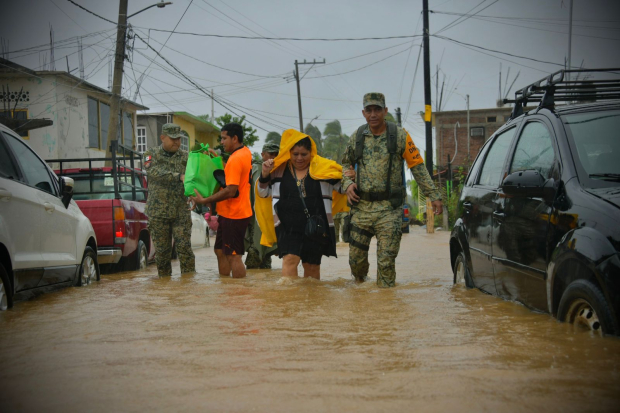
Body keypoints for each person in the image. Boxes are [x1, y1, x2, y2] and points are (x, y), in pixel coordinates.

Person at [341, 93, 443, 288]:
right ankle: (362, 299)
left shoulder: (400, 136)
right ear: (363, 113)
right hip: (361, 208)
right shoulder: (357, 137)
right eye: (369, 110)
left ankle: (386, 306)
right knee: (356, 262)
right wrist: (347, 183)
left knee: (386, 264)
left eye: (377, 109)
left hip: (389, 210)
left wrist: (434, 195)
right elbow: (345, 164)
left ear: (385, 111)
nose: (373, 114)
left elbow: (418, 167)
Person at [254, 129, 348, 280]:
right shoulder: (278, 170)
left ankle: (311, 300)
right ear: (288, 153)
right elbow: (263, 193)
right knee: (290, 259)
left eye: (304, 154)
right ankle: (291, 300)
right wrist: (265, 175)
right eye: (295, 154)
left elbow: (343, 189)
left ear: (311, 153)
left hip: (315, 226)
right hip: (287, 226)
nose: (299, 158)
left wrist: (350, 178)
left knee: (312, 265)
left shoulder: (323, 169)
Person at [188, 123, 253, 278]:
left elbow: (230, 190)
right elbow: (229, 174)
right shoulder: (244, 153)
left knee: (233, 255)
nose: (221, 142)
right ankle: (226, 289)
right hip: (229, 213)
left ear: (235, 138)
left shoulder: (236, 158)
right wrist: (215, 157)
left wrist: (204, 200)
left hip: (235, 214)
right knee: (219, 251)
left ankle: (239, 294)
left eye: (224, 138)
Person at [143, 123, 195, 276]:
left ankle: (189, 287)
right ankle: (166, 288)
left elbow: (193, 178)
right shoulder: (150, 153)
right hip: (158, 213)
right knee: (162, 254)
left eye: (178, 139)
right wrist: (178, 176)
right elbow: (153, 171)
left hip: (181, 211)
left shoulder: (186, 156)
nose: (176, 142)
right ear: (162, 138)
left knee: (185, 249)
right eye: (173, 139)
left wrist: (194, 194)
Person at [245, 142, 280, 269]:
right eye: (271, 154)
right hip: (257, 218)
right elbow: (257, 195)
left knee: (265, 255)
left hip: (267, 217)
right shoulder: (259, 168)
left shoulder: (277, 169)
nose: (273, 157)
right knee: (256, 250)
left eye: (276, 154)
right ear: (263, 154)